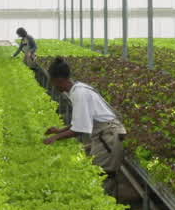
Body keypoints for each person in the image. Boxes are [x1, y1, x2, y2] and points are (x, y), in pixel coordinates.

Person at [43, 58, 126, 194]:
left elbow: (79, 130)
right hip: (104, 134)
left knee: (103, 175)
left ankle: (106, 208)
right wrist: (60, 130)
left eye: (52, 81)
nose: (52, 86)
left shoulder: (79, 94)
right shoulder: (78, 88)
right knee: (97, 172)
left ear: (58, 80)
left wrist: (56, 137)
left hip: (108, 137)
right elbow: (81, 120)